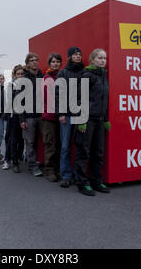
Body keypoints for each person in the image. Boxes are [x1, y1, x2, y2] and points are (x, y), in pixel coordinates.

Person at [74, 48, 111, 196]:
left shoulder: (104, 76)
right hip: (87, 120)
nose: (102, 60)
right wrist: (81, 120)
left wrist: (106, 119)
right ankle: (82, 183)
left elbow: (104, 100)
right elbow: (79, 99)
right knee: (84, 152)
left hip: (100, 120)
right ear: (92, 59)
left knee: (98, 152)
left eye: (104, 58)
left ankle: (96, 181)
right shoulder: (86, 75)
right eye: (100, 58)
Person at [55, 47, 85, 188]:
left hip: (80, 113)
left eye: (80, 54)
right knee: (65, 146)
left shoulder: (85, 72)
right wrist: (60, 113)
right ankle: (66, 175)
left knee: (80, 145)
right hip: (66, 114)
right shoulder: (63, 73)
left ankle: (79, 175)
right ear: (69, 57)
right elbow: (57, 95)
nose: (78, 56)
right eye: (75, 54)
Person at [19, 53, 44, 177]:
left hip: (41, 115)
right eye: (31, 60)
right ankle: (32, 166)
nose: (34, 62)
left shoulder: (42, 76)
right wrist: (21, 120)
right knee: (30, 142)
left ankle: (35, 161)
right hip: (28, 116)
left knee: (44, 140)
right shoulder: (24, 79)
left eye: (36, 60)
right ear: (28, 63)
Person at [42, 53, 62, 182]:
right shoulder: (46, 78)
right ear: (49, 64)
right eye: (53, 62)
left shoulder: (61, 76)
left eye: (58, 62)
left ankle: (57, 169)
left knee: (59, 145)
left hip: (60, 116)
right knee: (50, 144)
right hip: (49, 116)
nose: (56, 64)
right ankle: (49, 170)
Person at [3, 65, 25, 172]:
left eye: (22, 74)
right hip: (13, 117)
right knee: (12, 139)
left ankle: (17, 157)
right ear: (14, 75)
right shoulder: (11, 86)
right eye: (18, 74)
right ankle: (11, 161)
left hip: (23, 115)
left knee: (20, 140)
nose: (20, 76)